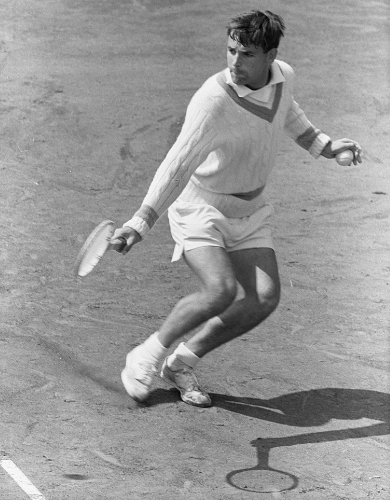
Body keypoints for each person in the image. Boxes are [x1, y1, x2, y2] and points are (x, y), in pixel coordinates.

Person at [111, 10, 362, 407]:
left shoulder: (284, 77)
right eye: (230, 50)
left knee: (264, 297)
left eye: (246, 54)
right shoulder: (213, 100)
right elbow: (177, 165)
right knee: (221, 290)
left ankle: (181, 363)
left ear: (271, 57)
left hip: (249, 211)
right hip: (201, 209)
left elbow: (287, 112)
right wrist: (141, 222)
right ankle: (146, 355)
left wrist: (324, 146)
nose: (234, 62)